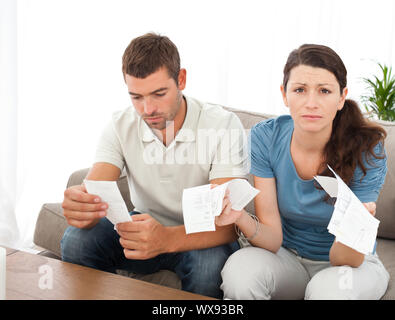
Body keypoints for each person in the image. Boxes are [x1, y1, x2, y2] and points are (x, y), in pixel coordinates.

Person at [60, 33, 248, 299]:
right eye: (136, 97)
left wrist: (166, 239)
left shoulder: (221, 125)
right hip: (143, 225)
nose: (148, 109)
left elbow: (229, 225)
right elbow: (96, 187)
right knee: (77, 239)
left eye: (159, 94)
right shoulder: (119, 125)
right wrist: (82, 206)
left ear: (181, 79)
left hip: (201, 235)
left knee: (209, 265)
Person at [218, 44, 390, 300]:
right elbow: (272, 237)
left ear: (341, 97)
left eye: (324, 91)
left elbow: (345, 259)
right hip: (286, 258)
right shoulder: (266, 137)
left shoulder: (367, 148)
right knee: (239, 272)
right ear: (284, 95)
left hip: (347, 265)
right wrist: (240, 217)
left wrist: (355, 228)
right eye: (300, 90)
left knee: (327, 292)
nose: (311, 103)